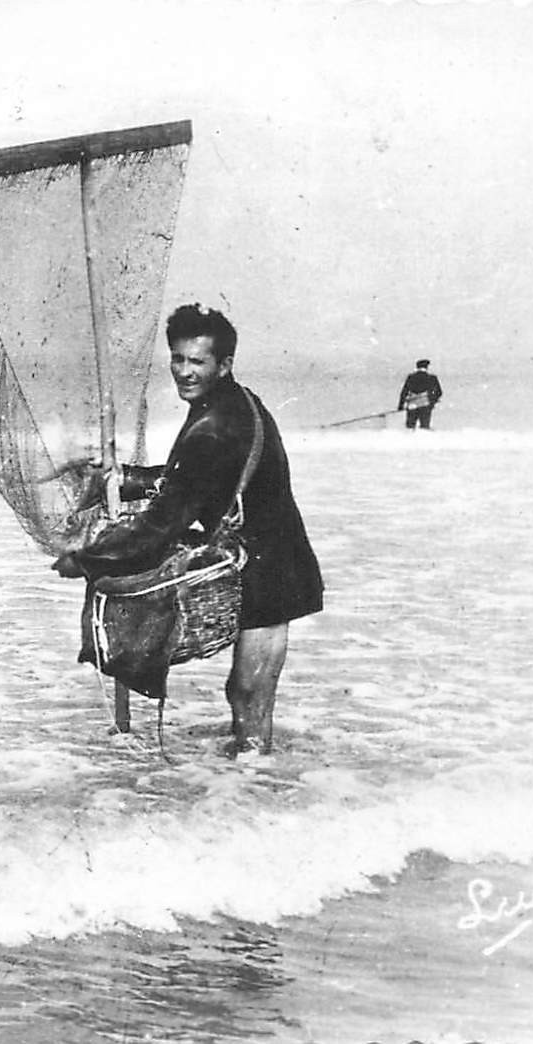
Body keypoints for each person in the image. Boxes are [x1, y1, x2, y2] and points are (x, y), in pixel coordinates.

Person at [54, 304, 324, 755]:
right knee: (243, 695)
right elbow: (192, 477)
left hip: (272, 575)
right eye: (178, 359)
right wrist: (129, 478)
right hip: (267, 560)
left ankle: (257, 790)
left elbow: (160, 526)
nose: (184, 371)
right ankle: (247, 779)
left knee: (249, 699)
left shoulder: (214, 425)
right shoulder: (231, 403)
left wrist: (84, 559)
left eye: (197, 362)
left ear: (224, 364)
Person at [397, 358, 443, 429]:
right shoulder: (432, 378)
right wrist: (432, 402)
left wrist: (400, 406)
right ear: (427, 367)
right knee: (425, 428)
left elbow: (404, 392)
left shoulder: (411, 377)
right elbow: (439, 392)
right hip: (425, 405)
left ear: (417, 367)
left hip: (412, 405)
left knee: (410, 428)